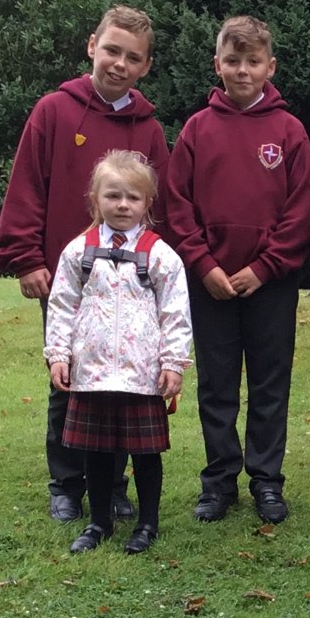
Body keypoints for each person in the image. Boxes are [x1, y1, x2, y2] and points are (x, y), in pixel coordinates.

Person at [0, 6, 171, 527]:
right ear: (92, 45)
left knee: (121, 387)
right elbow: (27, 187)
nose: (119, 63)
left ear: (145, 66)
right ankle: (67, 485)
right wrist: (26, 258)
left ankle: (112, 488)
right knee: (69, 382)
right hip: (69, 277)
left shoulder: (150, 130)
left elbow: (160, 209)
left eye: (132, 57)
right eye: (112, 50)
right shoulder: (53, 112)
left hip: (132, 285)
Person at [163, 15, 310, 526]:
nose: (243, 71)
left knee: (271, 384)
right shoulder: (197, 129)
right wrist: (203, 265)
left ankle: (267, 482)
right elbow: (176, 204)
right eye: (233, 61)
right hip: (210, 284)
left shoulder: (289, 131)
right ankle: (219, 481)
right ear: (217, 65)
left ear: (270, 66)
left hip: (270, 284)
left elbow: (302, 211)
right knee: (217, 385)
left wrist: (265, 266)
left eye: (253, 62)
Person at [43, 152, 192, 555]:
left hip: (141, 374)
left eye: (133, 198)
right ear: (95, 200)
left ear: (147, 203)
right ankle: (99, 522)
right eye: (113, 196)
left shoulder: (161, 256)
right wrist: (59, 354)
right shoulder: (78, 252)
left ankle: (147, 523)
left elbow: (176, 313)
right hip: (91, 372)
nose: (123, 205)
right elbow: (61, 305)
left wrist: (173, 364)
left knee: (146, 453)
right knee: (96, 450)